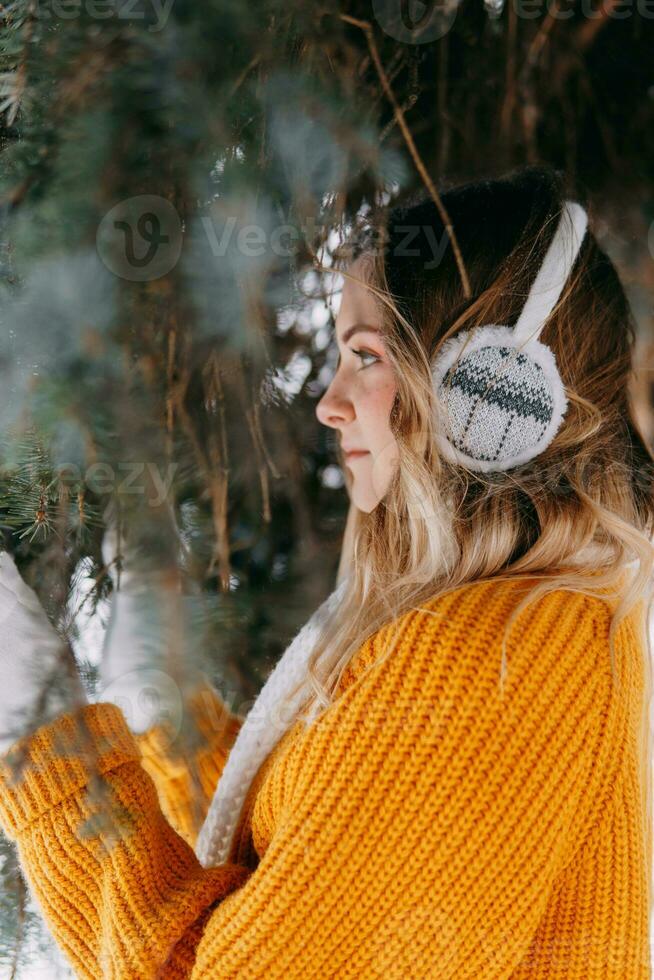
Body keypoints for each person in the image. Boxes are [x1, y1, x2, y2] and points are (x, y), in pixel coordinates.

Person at [0, 163, 653, 978]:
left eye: (368, 356)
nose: (330, 401)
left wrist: (40, 734)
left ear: (489, 389)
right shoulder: (522, 629)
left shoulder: (498, 659)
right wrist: (175, 725)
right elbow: (310, 882)